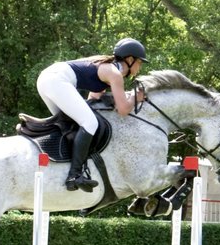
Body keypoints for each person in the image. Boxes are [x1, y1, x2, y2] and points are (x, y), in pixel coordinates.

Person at [36, 37, 146, 191]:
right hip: (57, 80)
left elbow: (93, 98)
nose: (139, 67)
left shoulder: (108, 69)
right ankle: (74, 174)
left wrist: (118, 98)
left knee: (70, 124)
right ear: (129, 59)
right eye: (139, 62)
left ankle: (60, 167)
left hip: (47, 79)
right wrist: (136, 97)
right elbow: (123, 110)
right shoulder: (115, 74)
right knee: (90, 123)